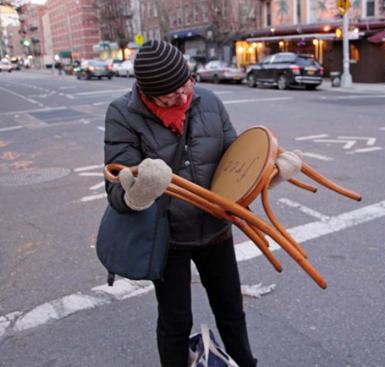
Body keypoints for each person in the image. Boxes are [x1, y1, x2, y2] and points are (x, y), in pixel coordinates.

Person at [103, 40, 302, 367]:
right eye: (171, 95)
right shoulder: (123, 114)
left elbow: (237, 163)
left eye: (186, 85)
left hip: (215, 228)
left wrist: (271, 175)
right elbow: (115, 190)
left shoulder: (207, 100)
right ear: (148, 94)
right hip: (167, 237)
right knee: (175, 320)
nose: (184, 97)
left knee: (231, 310)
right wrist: (137, 191)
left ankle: (245, 362)